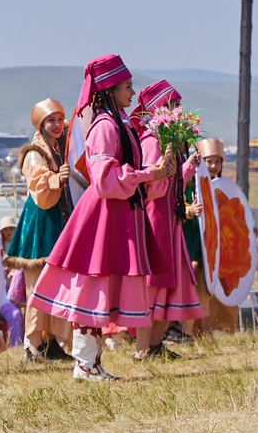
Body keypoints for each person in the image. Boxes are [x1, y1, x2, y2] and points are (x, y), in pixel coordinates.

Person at [29, 56, 166, 381]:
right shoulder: (105, 126)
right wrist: (148, 174)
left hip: (117, 214)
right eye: (128, 87)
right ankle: (84, 363)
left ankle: (89, 362)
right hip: (104, 215)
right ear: (111, 89)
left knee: (102, 287)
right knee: (95, 287)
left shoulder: (116, 121)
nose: (133, 93)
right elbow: (104, 179)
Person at [128, 82, 206, 360]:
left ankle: (154, 343)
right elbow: (151, 185)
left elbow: (171, 184)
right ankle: (142, 348)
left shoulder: (167, 140)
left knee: (168, 282)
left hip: (168, 216)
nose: (180, 110)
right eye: (174, 105)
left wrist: (186, 168)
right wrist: (169, 171)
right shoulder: (152, 140)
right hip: (156, 217)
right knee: (153, 282)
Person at [8, 100, 74, 365]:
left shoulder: (58, 148)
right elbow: (38, 183)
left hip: (55, 219)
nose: (57, 125)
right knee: (38, 285)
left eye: (60, 119)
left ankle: (52, 341)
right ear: (41, 124)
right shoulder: (35, 153)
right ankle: (33, 345)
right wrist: (56, 178)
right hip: (40, 221)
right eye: (51, 120)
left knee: (56, 283)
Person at [186, 138, 239, 335]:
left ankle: (215, 328)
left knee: (220, 285)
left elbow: (233, 215)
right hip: (195, 245)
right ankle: (191, 331)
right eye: (209, 161)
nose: (214, 166)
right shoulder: (190, 185)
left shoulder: (224, 186)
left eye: (217, 162)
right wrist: (191, 210)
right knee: (198, 285)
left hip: (218, 248)